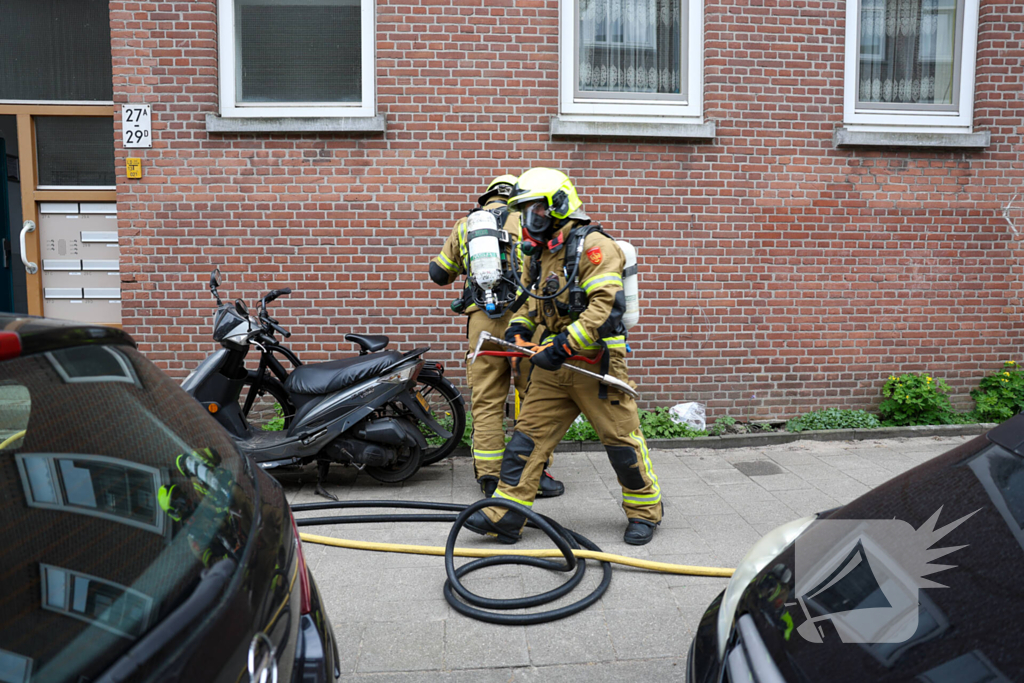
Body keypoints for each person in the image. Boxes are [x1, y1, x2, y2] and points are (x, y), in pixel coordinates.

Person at [463, 168, 662, 546]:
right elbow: (533, 303)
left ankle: (645, 512)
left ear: (559, 205)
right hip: (556, 365)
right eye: (525, 211)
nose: (530, 219)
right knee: (527, 441)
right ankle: (505, 515)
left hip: (596, 365)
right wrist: (519, 328)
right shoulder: (542, 253)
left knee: (621, 444)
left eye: (536, 210)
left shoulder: (595, 247)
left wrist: (564, 345)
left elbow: (605, 306)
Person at [429, 175, 565, 499]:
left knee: (487, 401)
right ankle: (537, 475)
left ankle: (490, 479)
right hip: (528, 322)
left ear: (486, 198)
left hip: (482, 325)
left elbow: (438, 274)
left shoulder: (467, 225)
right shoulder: (532, 219)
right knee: (535, 401)